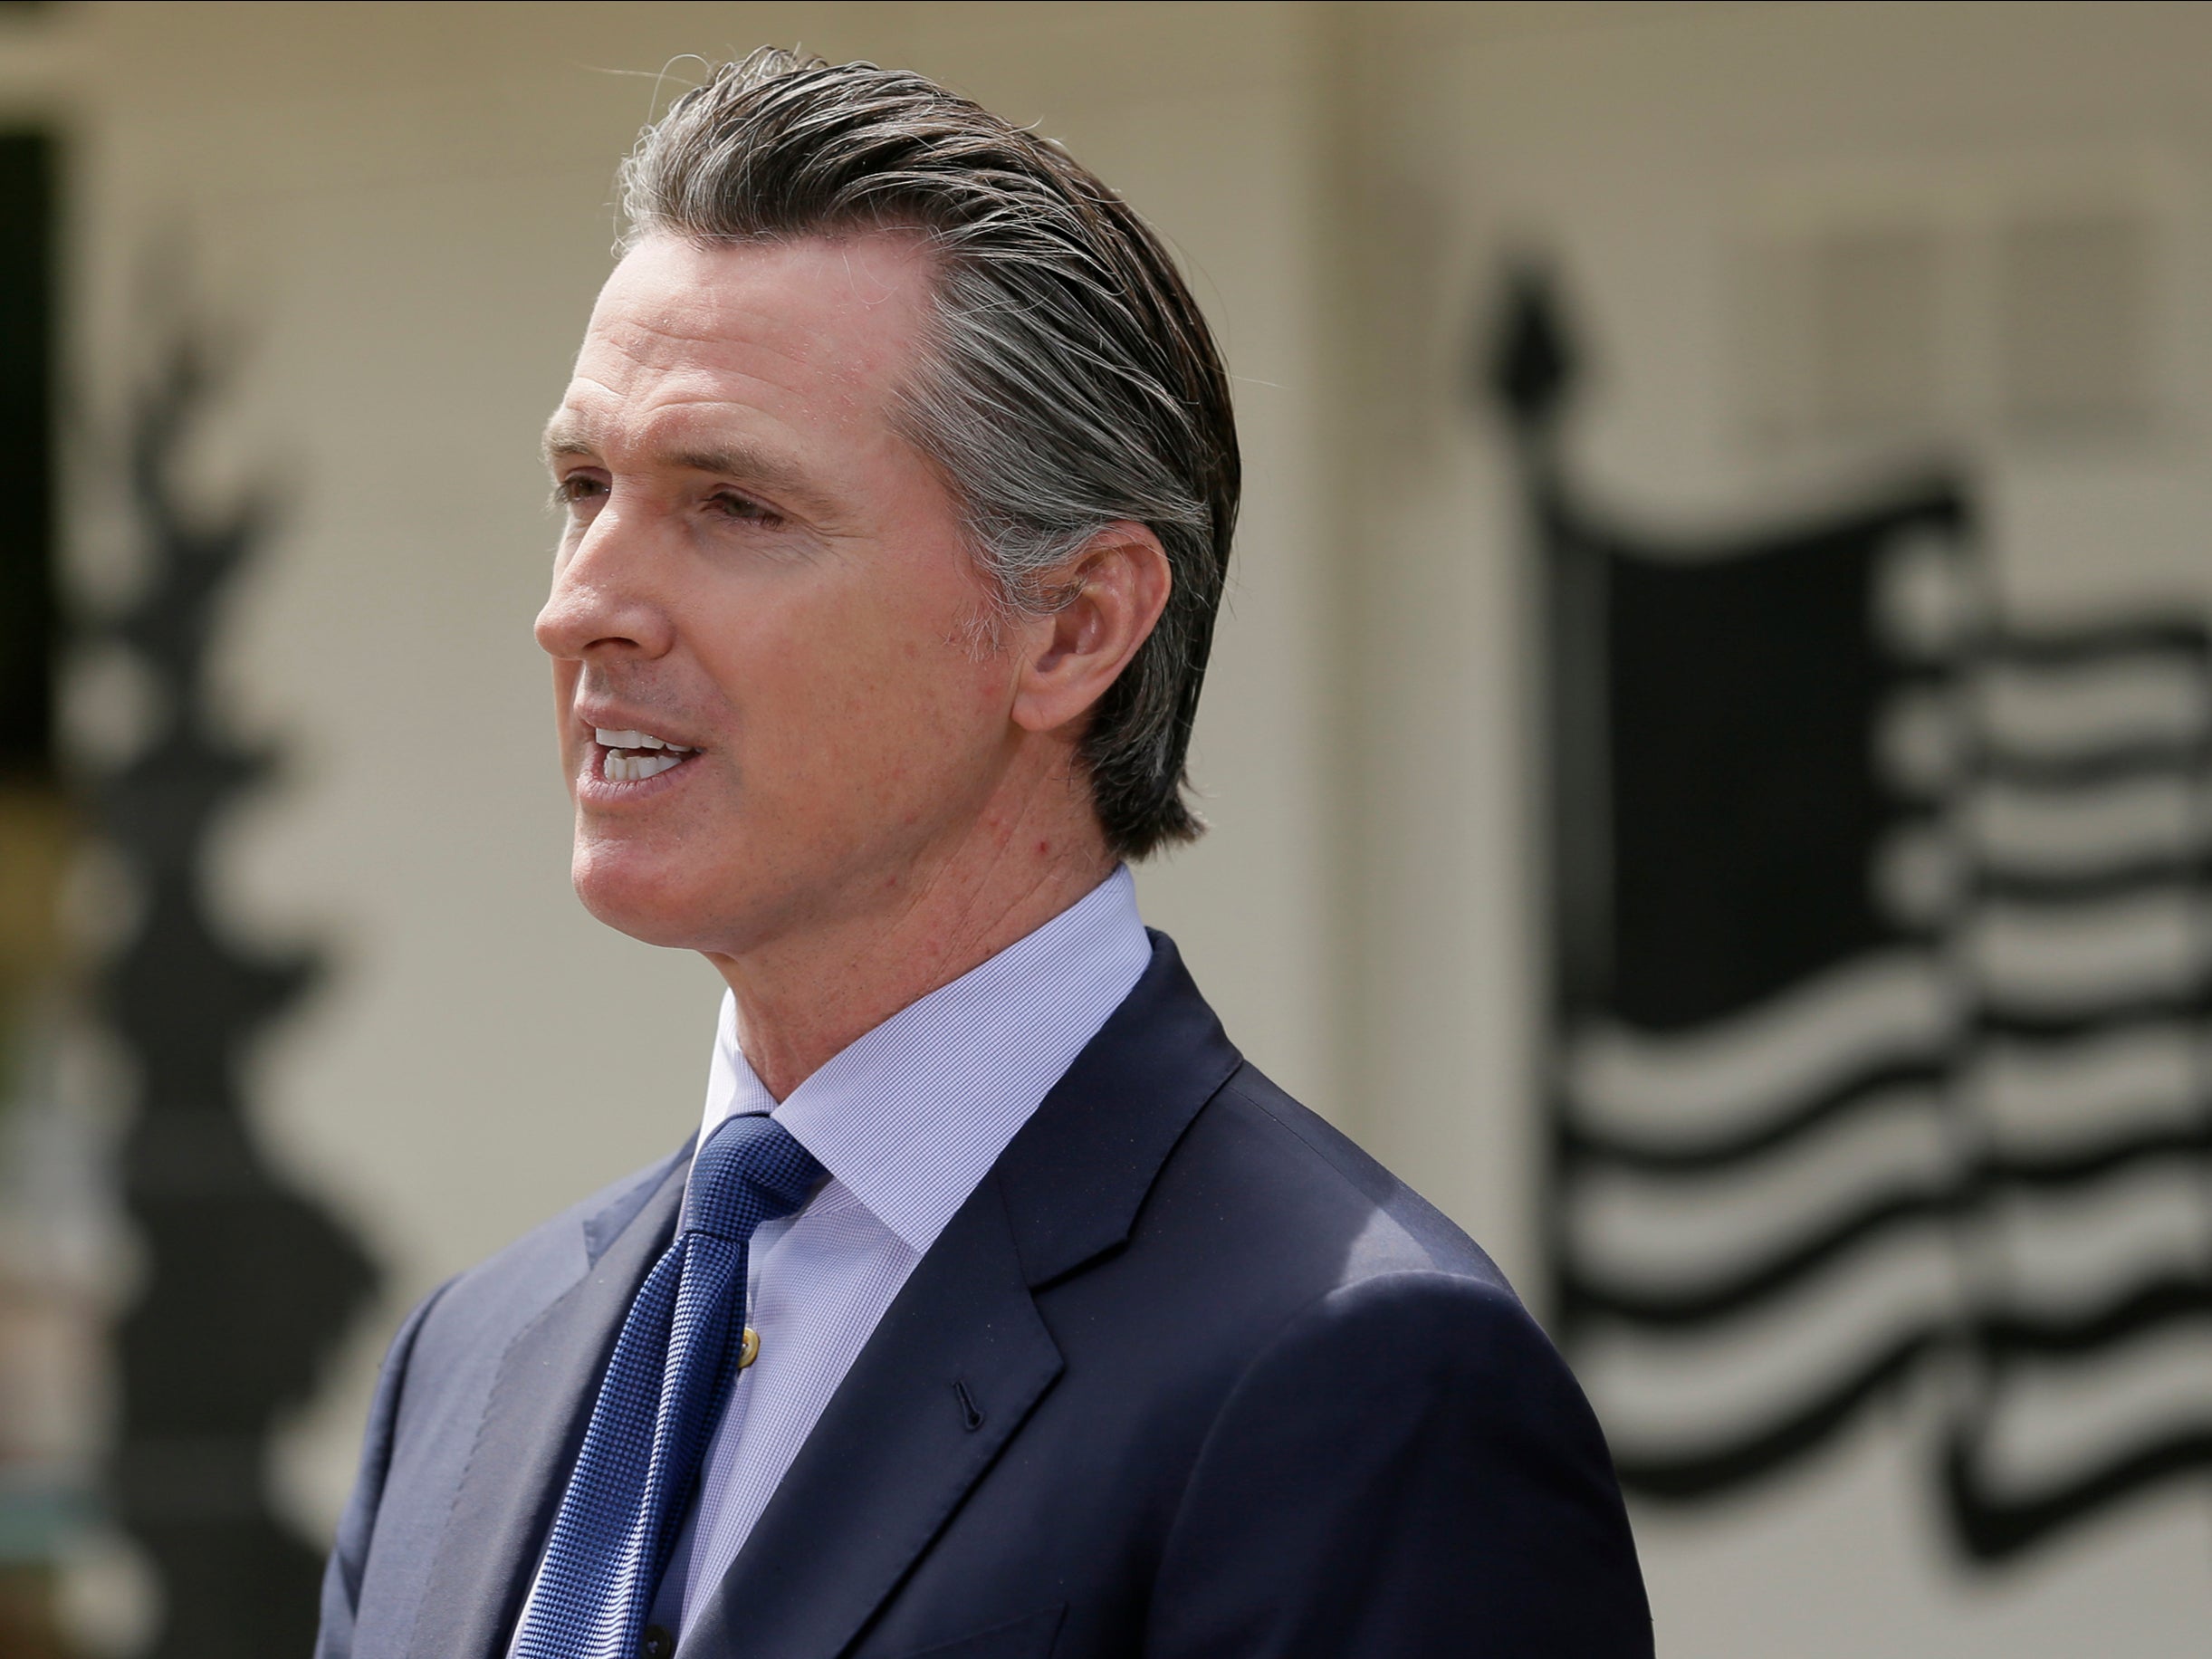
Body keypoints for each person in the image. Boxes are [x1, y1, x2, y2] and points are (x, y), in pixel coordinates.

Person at [315, 49, 1651, 1659]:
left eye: (734, 504)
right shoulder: (471, 1367)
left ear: (1074, 627)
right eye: (582, 486)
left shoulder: (1364, 1385)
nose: (582, 601)